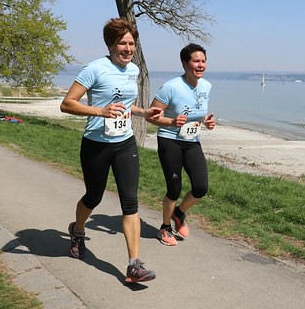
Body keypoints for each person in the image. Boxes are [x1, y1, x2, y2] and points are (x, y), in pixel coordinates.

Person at [60, 18, 162, 284]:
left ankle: (134, 264)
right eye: (122, 43)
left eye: (131, 43)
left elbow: (125, 106)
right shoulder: (95, 69)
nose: (128, 48)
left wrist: (143, 112)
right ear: (111, 44)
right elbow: (67, 104)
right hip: (96, 144)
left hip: (124, 143)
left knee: (130, 202)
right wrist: (100, 111)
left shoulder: (133, 70)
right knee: (93, 196)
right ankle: (78, 231)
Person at [146, 43, 216, 246]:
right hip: (170, 141)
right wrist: (171, 121)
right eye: (196, 61)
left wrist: (207, 122)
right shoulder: (171, 87)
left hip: (192, 142)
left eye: (203, 61)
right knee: (174, 189)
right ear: (185, 63)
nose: (201, 65)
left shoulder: (206, 86)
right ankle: (165, 227)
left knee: (201, 187)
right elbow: (151, 116)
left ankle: (179, 213)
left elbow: (199, 114)